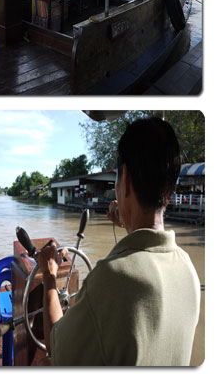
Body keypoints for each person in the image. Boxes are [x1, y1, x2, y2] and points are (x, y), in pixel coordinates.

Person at [36, 117, 200, 366]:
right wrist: (129, 224)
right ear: (169, 188)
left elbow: (55, 346)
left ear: (125, 181)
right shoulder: (189, 269)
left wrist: (49, 277)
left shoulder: (111, 278)